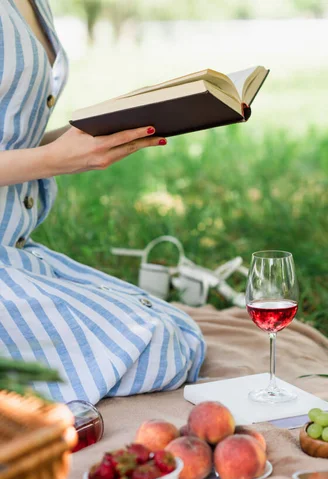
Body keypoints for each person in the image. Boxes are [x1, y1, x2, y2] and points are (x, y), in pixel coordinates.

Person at [0, 0, 206, 403]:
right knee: (155, 347)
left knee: (174, 330)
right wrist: (52, 161)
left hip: (14, 250)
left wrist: (102, 134)